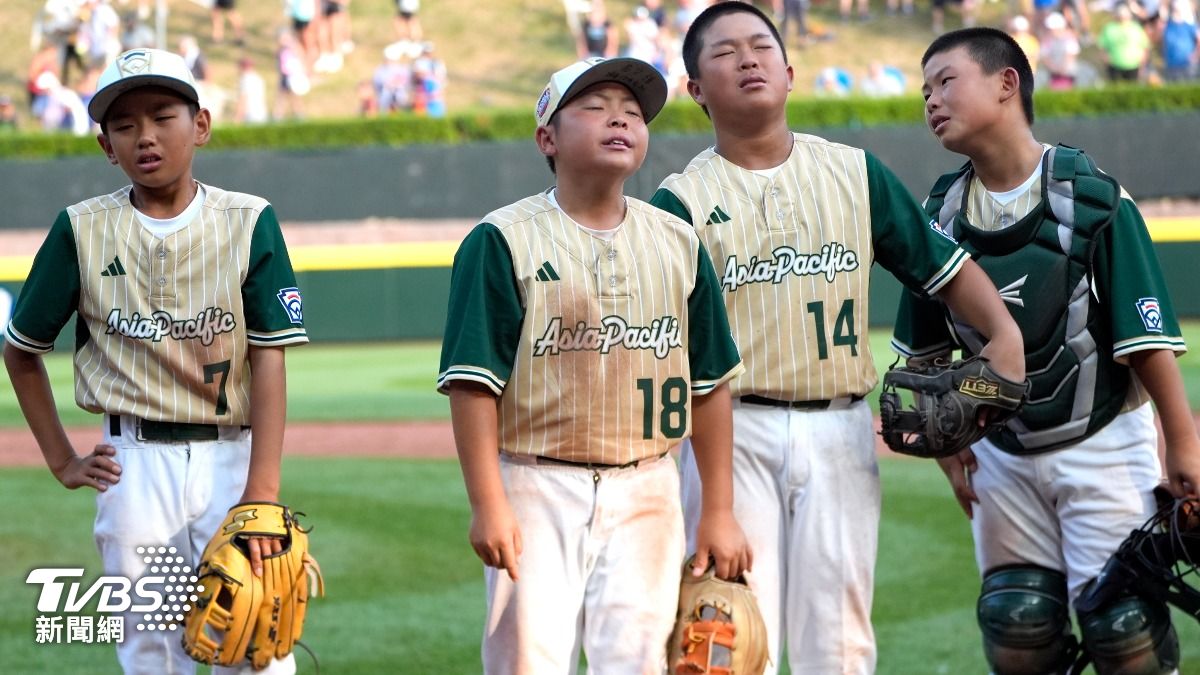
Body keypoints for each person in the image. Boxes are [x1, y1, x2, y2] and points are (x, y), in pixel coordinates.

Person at [648, 4, 1025, 673]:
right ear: (696, 90)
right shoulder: (678, 204)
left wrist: (1002, 331)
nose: (748, 59)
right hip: (730, 434)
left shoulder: (856, 173)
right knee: (726, 644)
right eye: (726, 51)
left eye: (761, 45)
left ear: (790, 72)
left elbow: (942, 266)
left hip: (839, 428)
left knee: (840, 643)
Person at [897, 27, 1200, 674]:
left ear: (1007, 83)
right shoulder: (937, 219)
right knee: (1018, 621)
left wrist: (1181, 443)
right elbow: (924, 357)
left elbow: (1145, 341)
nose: (931, 100)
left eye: (945, 81)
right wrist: (950, 452)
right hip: (1000, 455)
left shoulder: (1090, 197)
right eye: (924, 91)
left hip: (1104, 442)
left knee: (1125, 628)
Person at [438, 56, 752, 673]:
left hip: (649, 482)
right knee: (528, 658)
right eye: (595, 107)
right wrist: (488, 501)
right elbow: (473, 385)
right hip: (535, 482)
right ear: (546, 137)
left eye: (633, 113)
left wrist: (716, 507)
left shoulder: (677, 241)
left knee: (638, 659)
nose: (620, 119)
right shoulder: (502, 239)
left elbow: (709, 384)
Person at [3, 48, 307, 675]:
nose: (145, 135)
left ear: (200, 124)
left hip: (233, 460)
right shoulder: (81, 230)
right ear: (105, 146)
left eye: (163, 114)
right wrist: (62, 459)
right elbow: (22, 349)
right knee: (150, 651)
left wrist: (263, 496)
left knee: (253, 647)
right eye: (123, 124)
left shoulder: (248, 221)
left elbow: (269, 358)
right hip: (135, 468)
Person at [1099, 2, 1152, 82]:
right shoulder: (1109, 28)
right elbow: (1103, 47)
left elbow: (1145, 47)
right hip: (1114, 66)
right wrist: (1107, 61)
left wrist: (1142, 65)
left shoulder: (1136, 28)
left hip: (1133, 66)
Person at [1161, 0, 1200, 81]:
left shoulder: (1189, 25)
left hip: (1187, 65)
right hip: (1171, 65)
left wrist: (1195, 56)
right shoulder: (1168, 25)